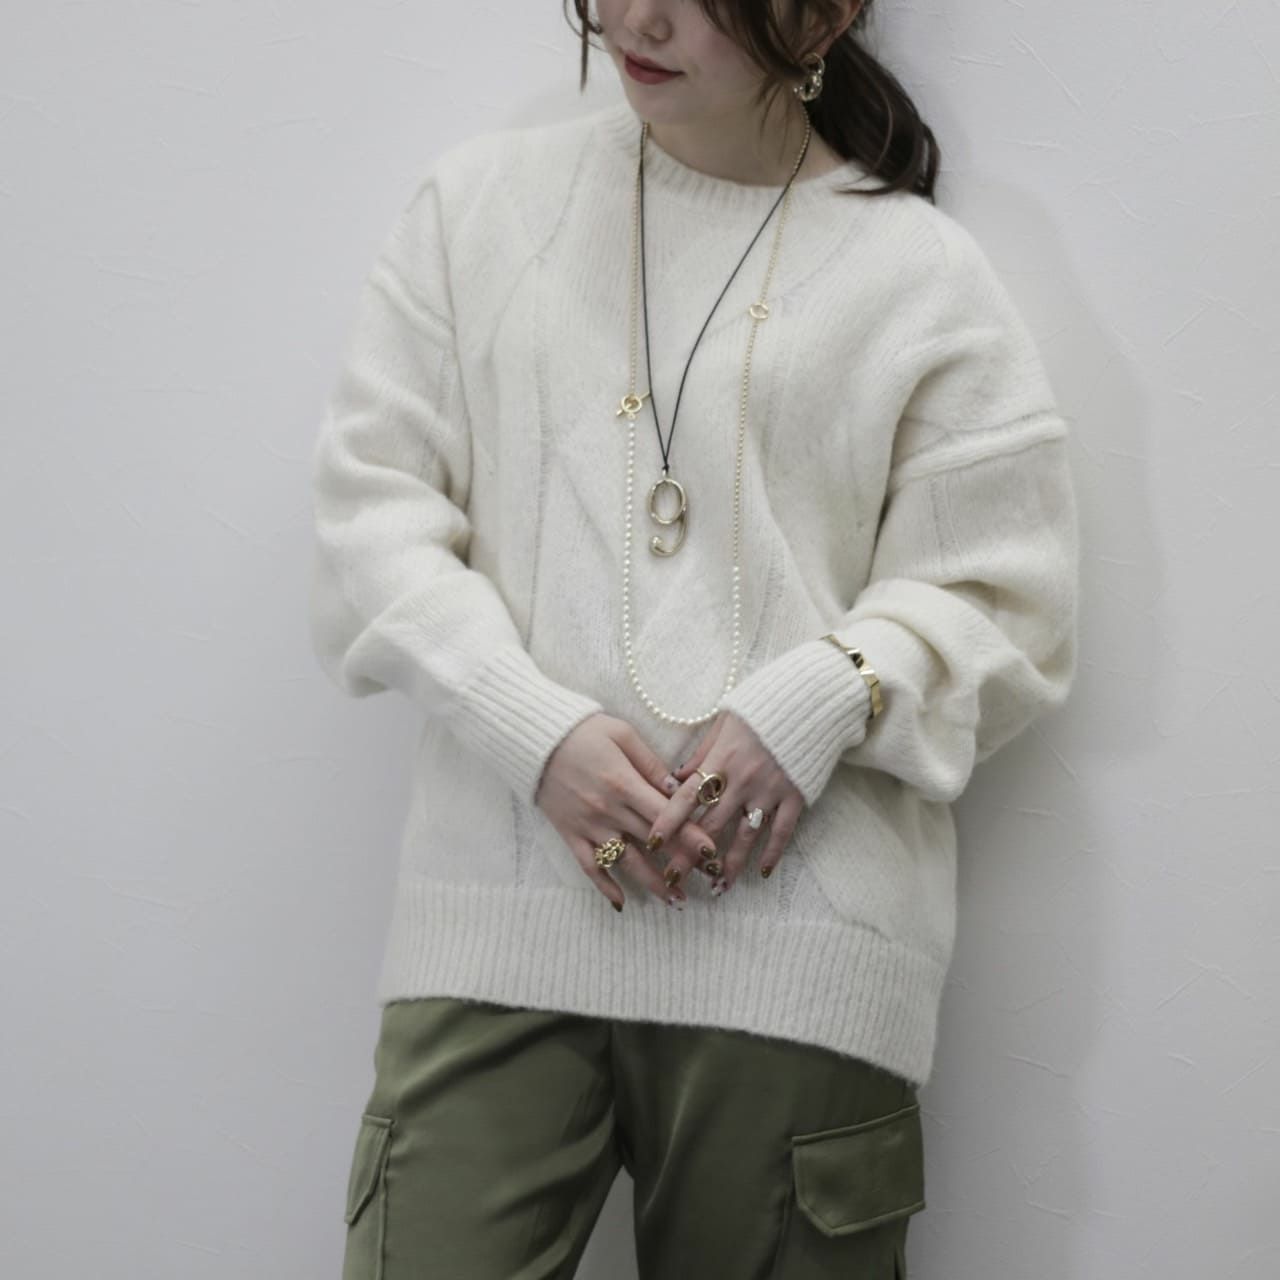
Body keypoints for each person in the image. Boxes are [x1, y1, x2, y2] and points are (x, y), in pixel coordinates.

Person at [307, 1, 1080, 1275]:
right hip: (497, 929)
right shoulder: (478, 210)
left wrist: (823, 697)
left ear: (823, 13)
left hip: (801, 955)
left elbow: (1010, 598)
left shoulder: (920, 274)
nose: (635, 17)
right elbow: (369, 520)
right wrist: (533, 729)